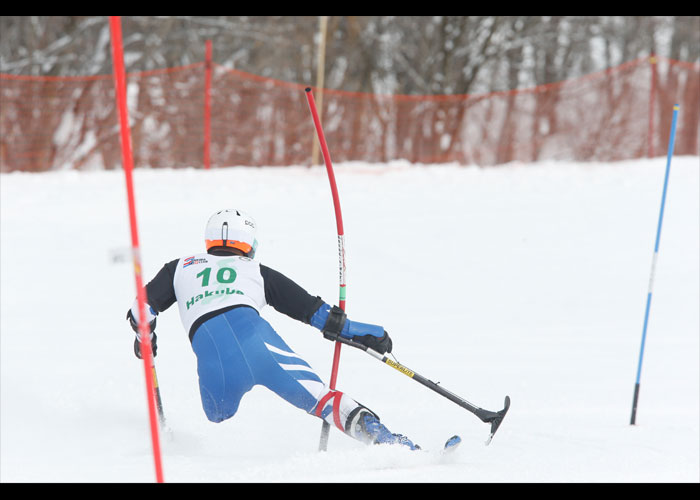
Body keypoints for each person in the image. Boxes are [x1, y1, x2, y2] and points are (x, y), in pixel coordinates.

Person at [126, 208, 419, 450]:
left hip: (214, 360)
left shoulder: (178, 267)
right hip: (257, 344)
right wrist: (369, 332)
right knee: (321, 400)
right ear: (248, 243)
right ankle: (391, 444)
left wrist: (146, 337)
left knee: (217, 413)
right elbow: (318, 315)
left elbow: (141, 311)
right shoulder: (255, 270)